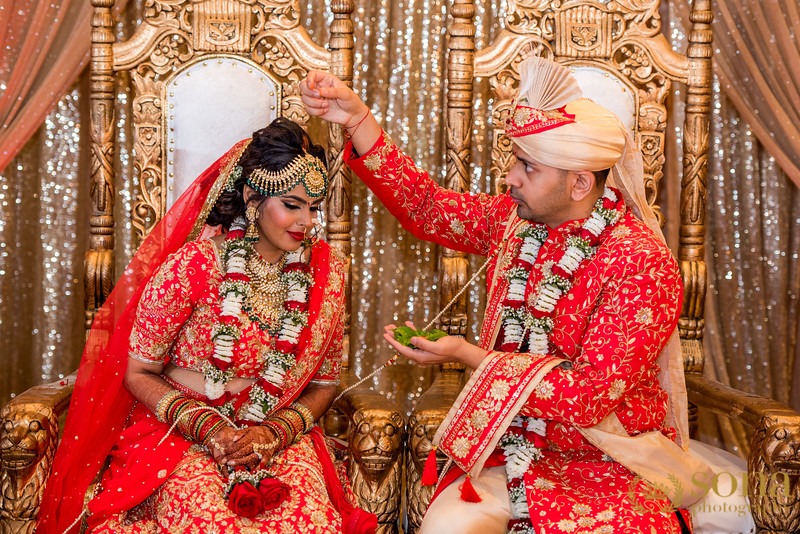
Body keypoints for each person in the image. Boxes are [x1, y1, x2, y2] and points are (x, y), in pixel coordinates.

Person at [301, 57, 711, 533]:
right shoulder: (515, 223)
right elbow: (428, 208)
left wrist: (466, 355)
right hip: (505, 449)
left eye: (529, 167)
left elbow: (587, 400)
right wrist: (357, 119)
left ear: (580, 182)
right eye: (516, 160)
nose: (511, 178)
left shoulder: (641, 264)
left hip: (609, 467)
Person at [37, 118, 376, 534]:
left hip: (277, 438)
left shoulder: (329, 273)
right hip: (181, 433)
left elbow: (324, 384)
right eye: (292, 205)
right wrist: (208, 427)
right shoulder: (194, 266)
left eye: (314, 208)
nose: (306, 221)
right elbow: (138, 371)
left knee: (304, 523)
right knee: (211, 522)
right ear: (252, 196)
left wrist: (274, 431)